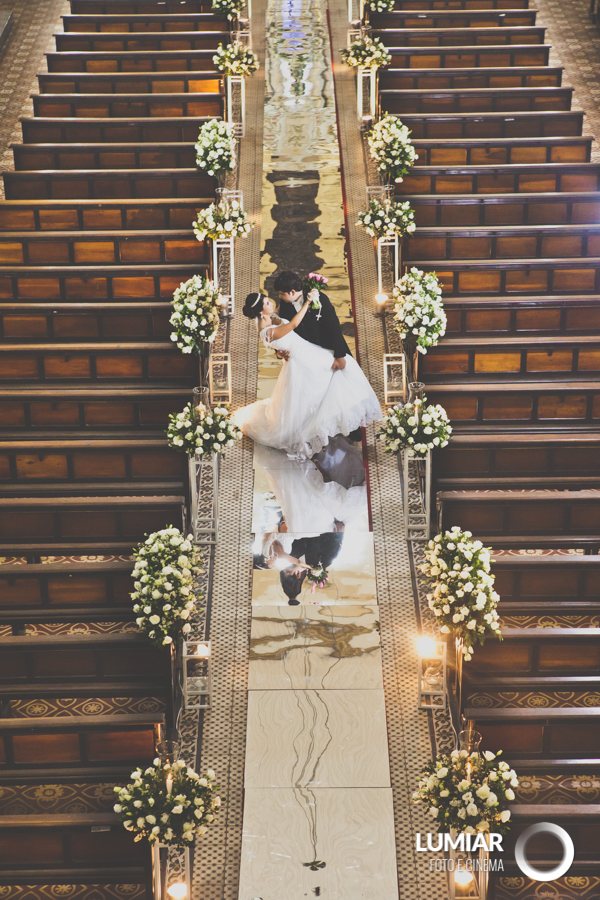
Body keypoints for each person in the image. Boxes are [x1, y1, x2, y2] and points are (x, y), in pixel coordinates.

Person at [234, 291, 381, 459]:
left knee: (339, 374)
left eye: (269, 300)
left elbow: (280, 337)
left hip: (307, 351)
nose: (271, 304)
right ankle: (327, 424)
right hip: (301, 361)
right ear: (260, 311)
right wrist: (308, 302)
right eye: (267, 303)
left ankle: (342, 421)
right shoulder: (265, 331)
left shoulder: (270, 316)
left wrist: (304, 291)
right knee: (329, 380)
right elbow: (293, 325)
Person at [274, 270, 363, 442]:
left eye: (282, 294)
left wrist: (339, 356)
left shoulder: (319, 299)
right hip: (306, 356)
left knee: (341, 388)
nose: (280, 297)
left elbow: (334, 327)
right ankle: (317, 427)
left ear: (293, 292)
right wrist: (279, 352)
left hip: (328, 350)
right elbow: (282, 332)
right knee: (314, 392)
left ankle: (352, 427)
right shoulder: (285, 304)